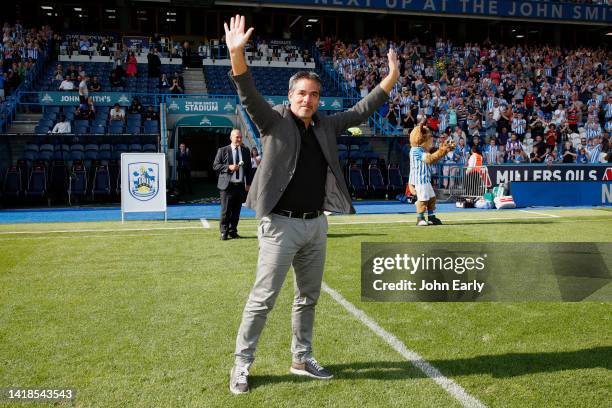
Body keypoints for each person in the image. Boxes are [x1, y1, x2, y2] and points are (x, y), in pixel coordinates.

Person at [224, 15, 399, 395]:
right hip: (280, 226)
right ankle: (241, 364)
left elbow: (362, 109)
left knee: (308, 297)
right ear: (290, 97)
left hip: (316, 225)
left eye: (314, 95)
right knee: (263, 299)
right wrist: (237, 54)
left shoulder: (326, 125)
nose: (308, 100)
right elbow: (247, 93)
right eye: (301, 94)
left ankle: (301, 357)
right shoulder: (273, 121)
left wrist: (391, 78)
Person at [212, 129, 253, 241]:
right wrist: (228, 167)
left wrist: (248, 183)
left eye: (240, 137)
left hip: (240, 186)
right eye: (237, 137)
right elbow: (215, 166)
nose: (239, 139)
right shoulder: (222, 150)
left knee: (236, 211)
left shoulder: (245, 150)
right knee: (225, 211)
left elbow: (249, 169)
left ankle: (233, 231)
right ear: (231, 138)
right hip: (227, 186)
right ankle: (223, 232)